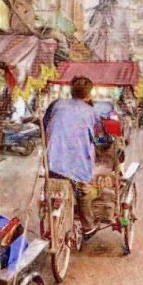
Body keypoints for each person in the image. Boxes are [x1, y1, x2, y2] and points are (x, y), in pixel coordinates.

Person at [43, 76, 106, 237]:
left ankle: (48, 220)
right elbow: (100, 139)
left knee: (51, 191)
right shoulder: (92, 113)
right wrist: (107, 141)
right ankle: (88, 225)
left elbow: (45, 125)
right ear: (88, 94)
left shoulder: (56, 105)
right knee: (83, 191)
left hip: (53, 161)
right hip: (78, 166)